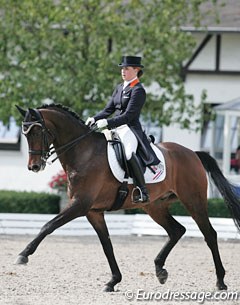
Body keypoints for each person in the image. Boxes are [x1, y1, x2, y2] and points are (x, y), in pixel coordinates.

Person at [86, 56, 159, 203]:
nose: (123, 71)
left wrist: (107, 122)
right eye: (122, 68)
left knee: (128, 153)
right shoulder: (120, 88)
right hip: (115, 128)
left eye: (126, 68)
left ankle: (142, 190)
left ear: (136, 70)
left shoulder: (138, 90)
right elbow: (109, 109)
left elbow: (128, 116)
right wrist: (94, 118)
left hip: (129, 128)